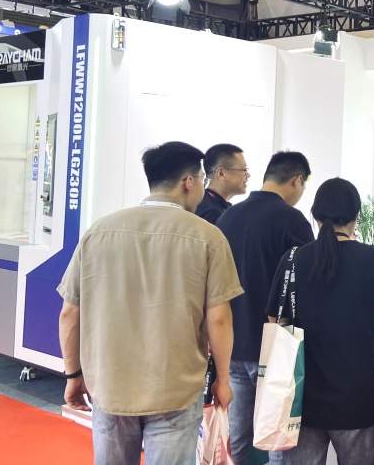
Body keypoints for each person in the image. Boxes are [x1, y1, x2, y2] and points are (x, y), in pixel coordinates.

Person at [57, 141, 241, 465]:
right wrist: (223, 380)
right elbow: (219, 318)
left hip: (111, 387)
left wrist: (74, 375)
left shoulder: (98, 232)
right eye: (202, 180)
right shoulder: (208, 238)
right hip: (175, 390)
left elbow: (70, 312)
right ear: (188, 182)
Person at [266, 178, 374, 465]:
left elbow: (275, 318)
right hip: (357, 396)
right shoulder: (373, 258)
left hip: (301, 397)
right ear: (355, 215)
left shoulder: (293, 258)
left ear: (314, 214)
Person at [216, 151, 315, 465]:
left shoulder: (228, 216)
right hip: (276, 345)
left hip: (232, 342)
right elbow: (308, 280)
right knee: (278, 438)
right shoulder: (291, 220)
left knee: (237, 436)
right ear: (297, 180)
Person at [195, 143, 250, 225]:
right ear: (221, 174)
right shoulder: (212, 213)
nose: (248, 175)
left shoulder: (210, 203)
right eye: (244, 170)